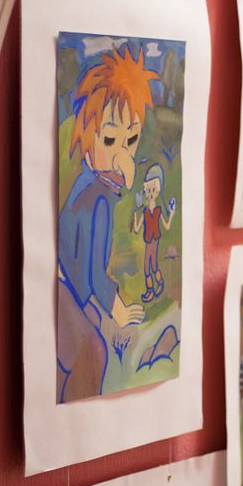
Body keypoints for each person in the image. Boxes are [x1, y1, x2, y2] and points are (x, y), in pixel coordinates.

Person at [56, 46, 158, 403]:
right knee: (93, 352)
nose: (121, 154)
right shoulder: (97, 198)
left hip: (68, 283)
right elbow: (94, 274)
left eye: (131, 140)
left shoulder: (91, 184)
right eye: (110, 140)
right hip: (67, 287)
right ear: (87, 137)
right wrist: (118, 309)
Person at [133, 164, 176, 303]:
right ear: (145, 191)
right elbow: (137, 228)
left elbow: (167, 226)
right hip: (148, 240)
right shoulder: (145, 211)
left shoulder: (158, 210)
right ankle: (156, 286)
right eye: (148, 190)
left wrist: (171, 214)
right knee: (150, 266)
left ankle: (153, 289)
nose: (150, 193)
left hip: (154, 240)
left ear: (157, 191)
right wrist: (135, 215)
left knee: (150, 266)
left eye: (153, 190)